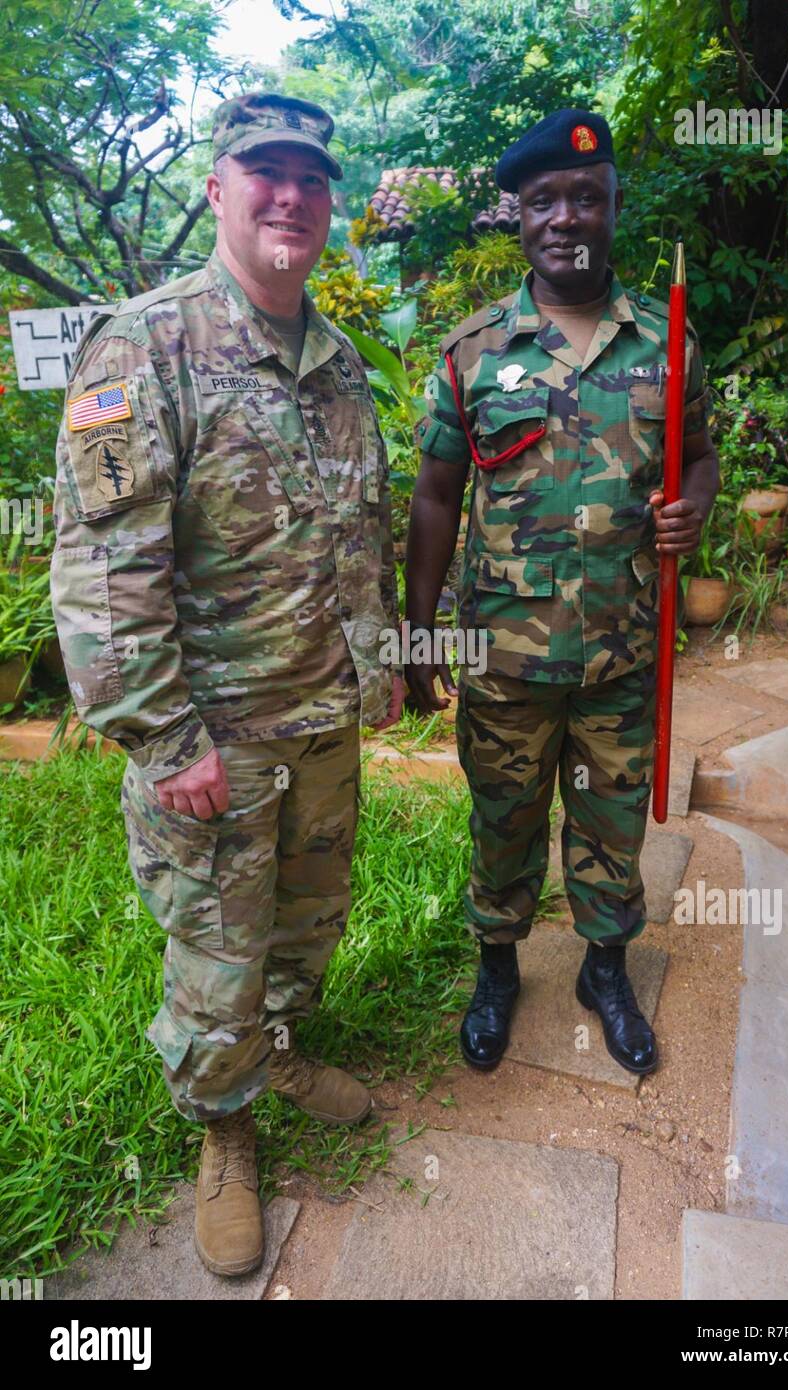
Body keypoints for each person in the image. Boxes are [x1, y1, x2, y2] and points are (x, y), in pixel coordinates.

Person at [50, 91, 404, 1277]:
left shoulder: (339, 360)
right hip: (216, 742)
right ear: (218, 188)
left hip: (319, 719)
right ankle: (224, 1127)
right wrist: (165, 741)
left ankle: (282, 1044)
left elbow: (361, 524)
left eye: (310, 175)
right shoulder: (140, 347)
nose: (290, 195)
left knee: (306, 921)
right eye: (266, 172)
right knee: (216, 950)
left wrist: (380, 664)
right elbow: (106, 572)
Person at [405, 108, 718, 1078]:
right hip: (503, 661)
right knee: (501, 817)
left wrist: (692, 509)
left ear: (613, 205)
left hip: (620, 654)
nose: (565, 215)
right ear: (519, 214)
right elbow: (433, 496)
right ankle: (497, 968)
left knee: (611, 819)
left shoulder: (666, 346)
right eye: (544, 199)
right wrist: (419, 639)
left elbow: (700, 457)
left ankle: (604, 969)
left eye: (586, 196)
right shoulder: (473, 351)